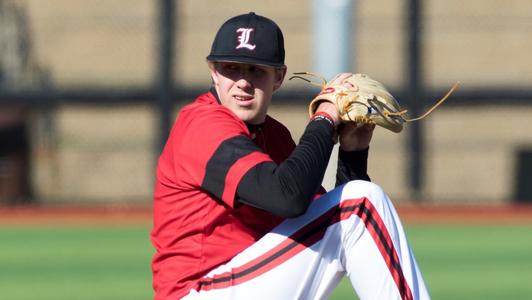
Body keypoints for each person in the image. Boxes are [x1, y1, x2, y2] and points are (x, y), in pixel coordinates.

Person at [151, 12, 430, 300]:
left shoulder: (273, 136)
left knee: (357, 201)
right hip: (200, 291)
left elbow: (331, 228)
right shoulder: (202, 125)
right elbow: (288, 197)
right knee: (362, 202)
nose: (243, 82)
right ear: (213, 72)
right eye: (231, 68)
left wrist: (352, 154)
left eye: (256, 70)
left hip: (241, 283)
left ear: (279, 77)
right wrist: (325, 117)